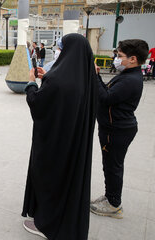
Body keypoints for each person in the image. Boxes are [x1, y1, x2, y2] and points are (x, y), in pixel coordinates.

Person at [22, 33, 98, 240]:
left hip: (54, 143)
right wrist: (46, 76)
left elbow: (37, 104)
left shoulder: (57, 81)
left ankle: (46, 223)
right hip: (75, 143)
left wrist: (31, 83)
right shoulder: (87, 78)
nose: (59, 52)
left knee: (50, 178)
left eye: (62, 48)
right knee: (67, 182)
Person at [90, 39, 149, 219]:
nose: (116, 58)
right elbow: (108, 93)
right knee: (110, 165)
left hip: (116, 130)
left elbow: (105, 98)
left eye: (120, 56)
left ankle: (114, 204)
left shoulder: (130, 80)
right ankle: (110, 197)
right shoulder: (128, 75)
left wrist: (94, 76)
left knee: (113, 166)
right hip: (115, 128)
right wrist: (98, 77)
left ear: (132, 59)